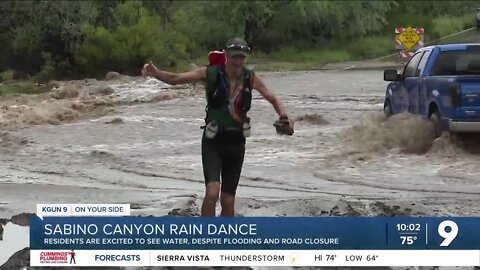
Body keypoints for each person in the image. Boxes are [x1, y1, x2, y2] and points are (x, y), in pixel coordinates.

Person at [141, 38, 293, 217]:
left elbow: (273, 98)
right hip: (213, 141)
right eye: (235, 56)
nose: (238, 61)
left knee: (228, 199)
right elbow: (176, 79)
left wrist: (284, 116)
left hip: (236, 142)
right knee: (212, 191)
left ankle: (225, 239)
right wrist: (156, 73)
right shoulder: (210, 73)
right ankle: (207, 235)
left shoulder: (250, 78)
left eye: (242, 57)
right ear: (227, 56)